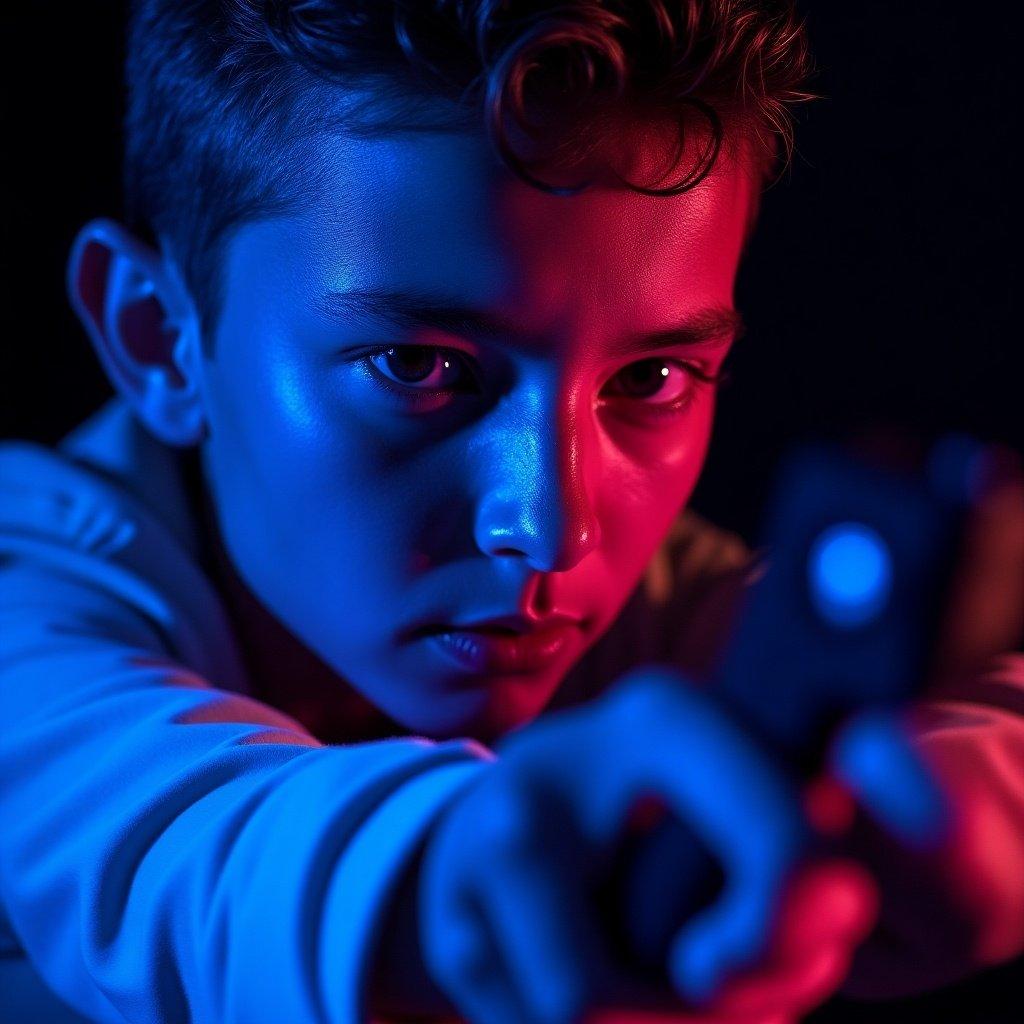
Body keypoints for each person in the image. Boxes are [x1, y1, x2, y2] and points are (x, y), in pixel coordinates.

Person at [1, 2, 1021, 1022]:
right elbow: (181, 846)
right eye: (419, 367)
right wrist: (461, 874)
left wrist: (969, 778)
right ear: (158, 338)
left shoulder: (666, 612)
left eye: (654, 376)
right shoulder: (21, 609)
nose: (548, 526)